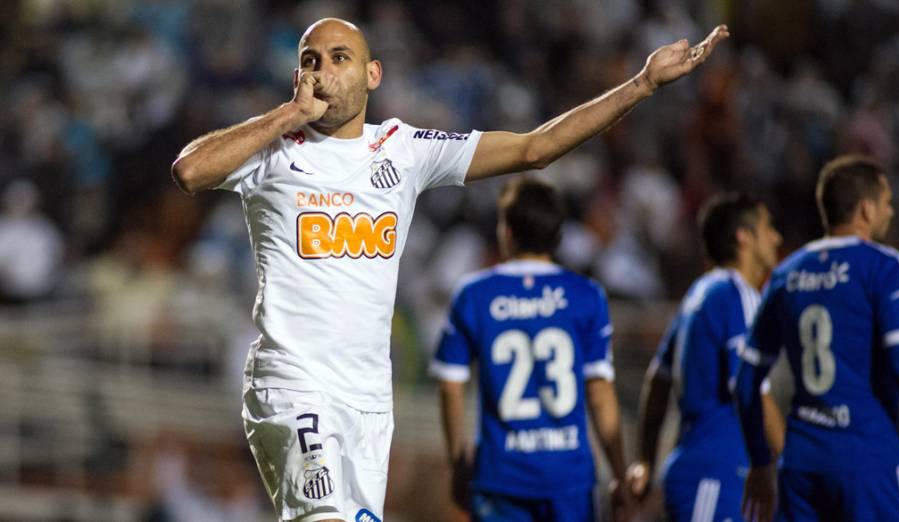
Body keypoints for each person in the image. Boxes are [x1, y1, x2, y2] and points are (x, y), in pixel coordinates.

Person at [171, 17, 729, 522]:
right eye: (310, 60)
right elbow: (190, 170)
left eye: (339, 57)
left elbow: (536, 148)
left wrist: (644, 84)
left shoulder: (401, 149)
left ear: (373, 74)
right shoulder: (272, 151)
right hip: (292, 383)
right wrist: (289, 114)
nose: (322, 72)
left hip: (368, 399)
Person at [736, 155, 899, 522]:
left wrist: (761, 463)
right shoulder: (888, 266)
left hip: (801, 468)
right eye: (887, 204)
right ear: (866, 210)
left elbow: (746, 382)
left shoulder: (785, 274)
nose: (890, 213)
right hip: (869, 457)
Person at [430, 178, 628, 522]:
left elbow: (450, 385)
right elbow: (599, 390)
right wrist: (621, 473)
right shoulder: (586, 294)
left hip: (500, 475)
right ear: (559, 234)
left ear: (506, 232)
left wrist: (457, 463)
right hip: (569, 476)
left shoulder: (475, 293)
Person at [625, 193, 785, 521]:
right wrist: (788, 462)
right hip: (719, 474)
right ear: (744, 237)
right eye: (767, 227)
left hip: (702, 471)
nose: (776, 237)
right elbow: (750, 386)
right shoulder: (737, 293)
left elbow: (658, 382)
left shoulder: (697, 295)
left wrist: (646, 460)